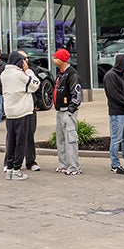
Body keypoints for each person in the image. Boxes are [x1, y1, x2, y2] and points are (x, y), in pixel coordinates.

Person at [0, 51, 39, 180]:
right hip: (21, 112)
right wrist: (28, 71)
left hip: (10, 113)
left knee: (11, 142)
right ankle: (17, 170)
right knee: (21, 142)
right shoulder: (18, 74)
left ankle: (9, 168)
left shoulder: (4, 74)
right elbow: (35, 85)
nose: (25, 63)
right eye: (24, 60)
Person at [51, 48, 83, 176]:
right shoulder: (61, 74)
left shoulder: (72, 74)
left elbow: (77, 94)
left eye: (56, 58)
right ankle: (63, 164)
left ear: (62, 59)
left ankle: (73, 166)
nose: (54, 60)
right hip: (60, 111)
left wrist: (70, 111)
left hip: (67, 111)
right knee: (61, 140)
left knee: (70, 140)